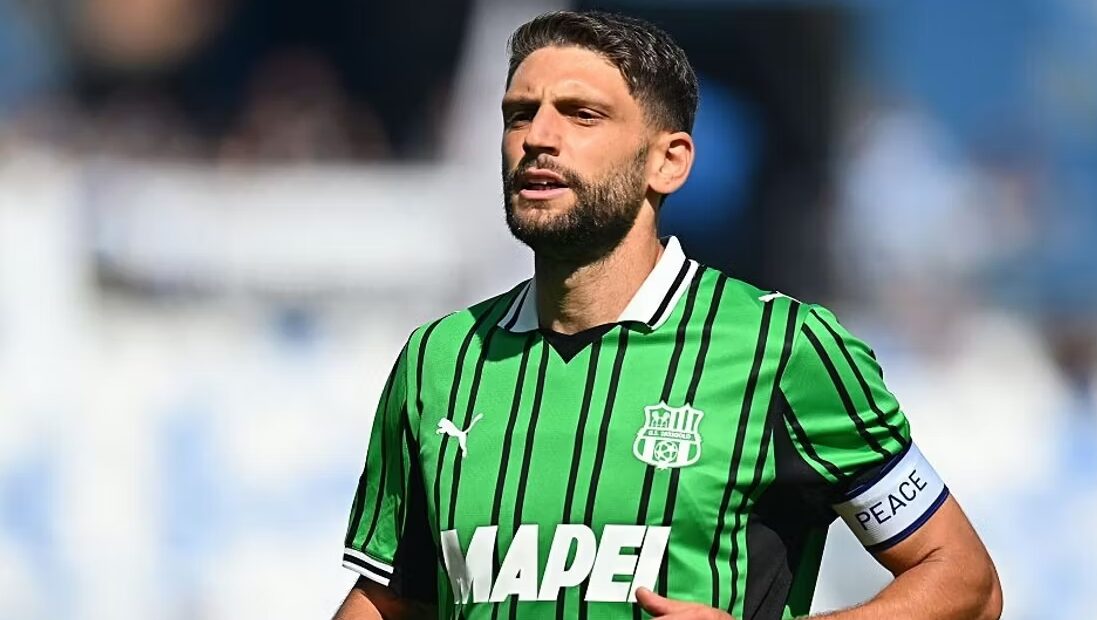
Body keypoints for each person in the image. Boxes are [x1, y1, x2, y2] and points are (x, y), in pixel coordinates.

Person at [333, 10, 1002, 620]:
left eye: (581, 115)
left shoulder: (783, 349)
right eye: (519, 114)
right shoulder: (439, 362)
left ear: (668, 162)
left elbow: (965, 583)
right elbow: (390, 601)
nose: (538, 137)